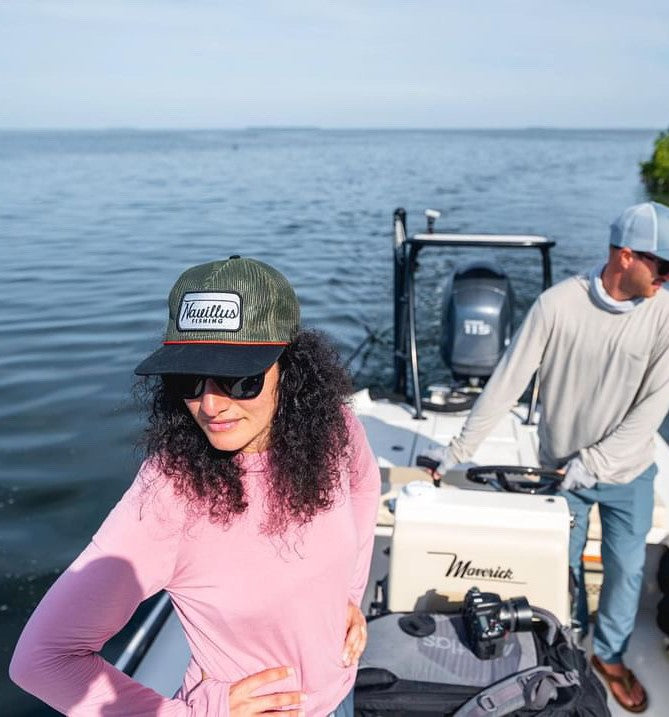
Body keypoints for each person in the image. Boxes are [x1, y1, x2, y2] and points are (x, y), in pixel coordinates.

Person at [10, 256, 381, 716]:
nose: (209, 404)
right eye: (188, 378)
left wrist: (347, 593)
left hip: (341, 693)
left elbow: (364, 490)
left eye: (238, 379)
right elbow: (41, 660)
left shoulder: (335, 428)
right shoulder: (170, 497)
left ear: (293, 369)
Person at [421, 202, 669, 713]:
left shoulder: (665, 314)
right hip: (559, 469)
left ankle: (609, 656)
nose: (666, 279)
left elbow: (653, 408)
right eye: (662, 267)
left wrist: (595, 463)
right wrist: (455, 454)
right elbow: (506, 384)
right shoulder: (557, 306)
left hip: (629, 470)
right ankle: (568, 648)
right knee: (563, 567)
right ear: (625, 257)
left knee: (625, 569)